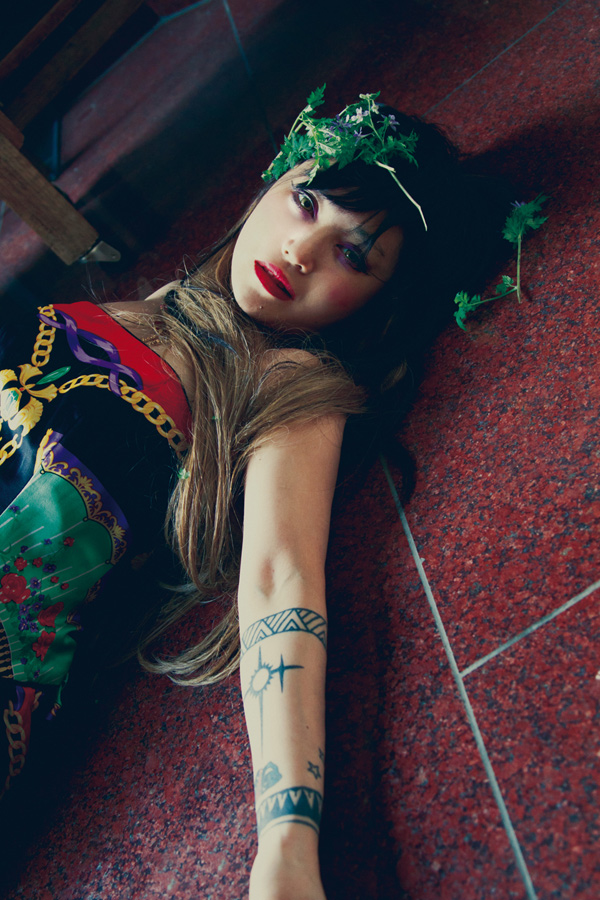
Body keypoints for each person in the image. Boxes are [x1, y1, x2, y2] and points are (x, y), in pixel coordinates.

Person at [0, 90, 509, 898]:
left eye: (353, 256)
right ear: (272, 182)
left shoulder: (285, 383)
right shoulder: (112, 309)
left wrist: (287, 843)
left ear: (377, 303)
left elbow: (280, 580)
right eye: (306, 202)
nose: (303, 249)